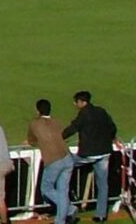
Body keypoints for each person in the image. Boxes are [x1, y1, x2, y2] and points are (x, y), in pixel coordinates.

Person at [62, 90, 117, 223]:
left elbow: (73, 128)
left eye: (76, 102)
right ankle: (101, 214)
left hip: (88, 154)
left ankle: (66, 206)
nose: (75, 105)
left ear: (82, 102)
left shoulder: (84, 114)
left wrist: (58, 138)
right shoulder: (101, 111)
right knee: (103, 185)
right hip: (104, 152)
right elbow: (112, 127)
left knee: (64, 166)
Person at [27, 99, 73, 224]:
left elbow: (31, 140)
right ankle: (61, 220)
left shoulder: (35, 124)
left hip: (54, 160)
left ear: (37, 111)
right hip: (67, 157)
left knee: (46, 189)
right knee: (63, 191)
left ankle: (70, 208)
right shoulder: (57, 122)